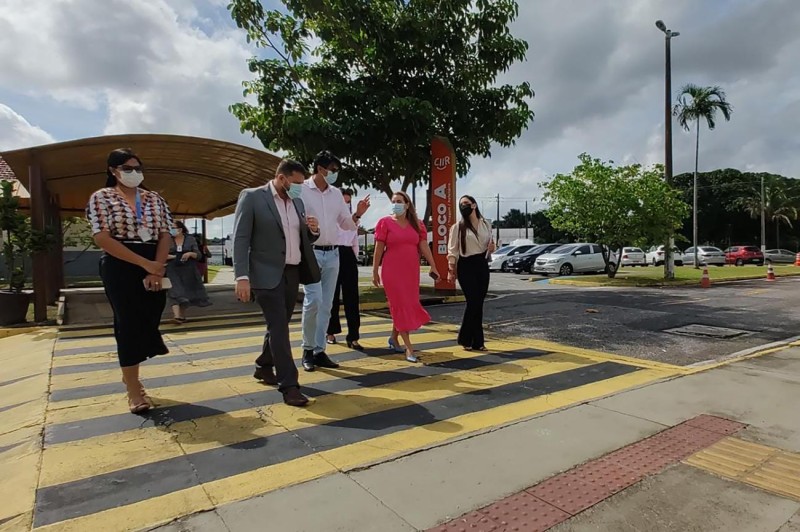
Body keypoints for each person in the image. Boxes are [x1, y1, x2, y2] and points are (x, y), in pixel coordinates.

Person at [86, 148, 173, 414]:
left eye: (137, 167)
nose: (133, 173)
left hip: (154, 262)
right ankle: (134, 388)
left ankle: (133, 366)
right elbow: (102, 237)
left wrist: (155, 268)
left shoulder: (154, 198)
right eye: (127, 168)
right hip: (121, 263)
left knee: (150, 316)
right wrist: (144, 264)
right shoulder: (102, 197)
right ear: (113, 170)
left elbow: (165, 233)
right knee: (127, 323)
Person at [232, 159, 321, 407]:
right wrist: (241, 276)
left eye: (302, 184)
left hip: (292, 272)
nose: (299, 188)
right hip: (264, 274)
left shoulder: (298, 202)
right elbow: (240, 238)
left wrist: (313, 231)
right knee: (280, 327)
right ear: (281, 178)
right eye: (295, 183)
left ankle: (263, 365)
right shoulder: (252, 197)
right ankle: (289, 385)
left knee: (278, 324)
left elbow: (301, 239)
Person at [300, 151, 370, 372]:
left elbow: (346, 224)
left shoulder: (336, 194)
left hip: (333, 253)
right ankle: (307, 350)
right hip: (311, 251)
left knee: (327, 304)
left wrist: (357, 214)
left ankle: (320, 350)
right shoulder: (301, 189)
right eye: (333, 170)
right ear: (320, 169)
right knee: (313, 301)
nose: (335, 174)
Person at [372, 191, 440, 362]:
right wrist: (374, 271)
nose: (396, 204)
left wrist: (433, 265)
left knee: (407, 304)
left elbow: (423, 246)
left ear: (407, 204)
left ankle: (394, 338)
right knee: (398, 305)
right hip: (391, 271)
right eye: (394, 201)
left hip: (410, 271)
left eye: (400, 201)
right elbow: (378, 249)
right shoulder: (385, 223)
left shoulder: (418, 224)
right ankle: (409, 348)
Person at [447, 195, 495, 351]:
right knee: (473, 301)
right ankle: (465, 338)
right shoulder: (458, 227)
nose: (463, 207)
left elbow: (490, 245)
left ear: (474, 205)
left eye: (466, 204)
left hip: (481, 264)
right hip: (465, 265)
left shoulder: (486, 224)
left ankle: (478, 342)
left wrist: (492, 249)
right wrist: (451, 270)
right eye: (461, 204)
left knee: (479, 303)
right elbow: (452, 251)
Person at [326, 189, 363, 350]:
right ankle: (330, 332)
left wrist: (353, 259)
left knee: (352, 297)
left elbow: (354, 241)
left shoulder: (353, 220)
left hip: (347, 255)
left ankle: (353, 336)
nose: (345, 204)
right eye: (343, 201)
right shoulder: (329, 217)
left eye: (348, 201)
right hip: (332, 252)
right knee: (331, 296)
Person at [165, 221, 211, 324]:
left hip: (188, 268)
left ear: (180, 229)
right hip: (172, 268)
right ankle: (176, 316)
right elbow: (162, 255)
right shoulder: (167, 240)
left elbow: (198, 255)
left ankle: (181, 316)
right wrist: (175, 257)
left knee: (186, 292)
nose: (171, 230)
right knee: (174, 290)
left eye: (173, 227)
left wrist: (190, 253)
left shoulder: (190, 239)